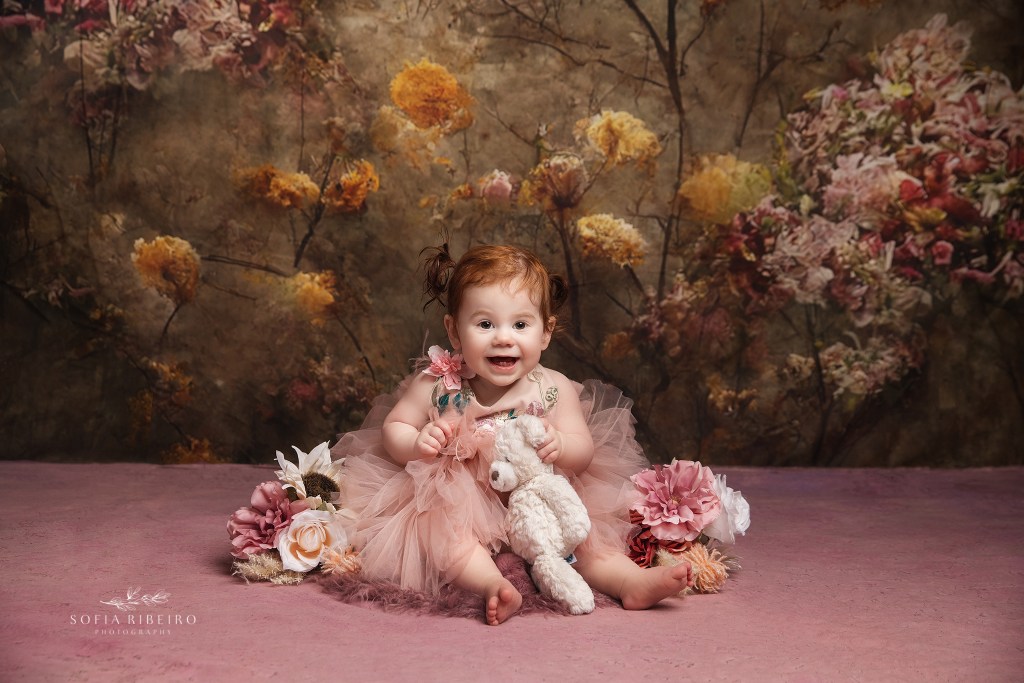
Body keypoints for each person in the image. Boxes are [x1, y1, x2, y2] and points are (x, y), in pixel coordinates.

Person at [335, 244, 692, 625]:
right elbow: (397, 426)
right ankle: (492, 585)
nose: (504, 338)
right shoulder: (437, 384)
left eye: (520, 325)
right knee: (442, 532)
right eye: (485, 324)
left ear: (545, 333)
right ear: (454, 330)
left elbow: (583, 450)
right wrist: (417, 443)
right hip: (459, 494)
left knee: (585, 536)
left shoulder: (552, 388)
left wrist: (562, 445)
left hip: (539, 493)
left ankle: (629, 582)